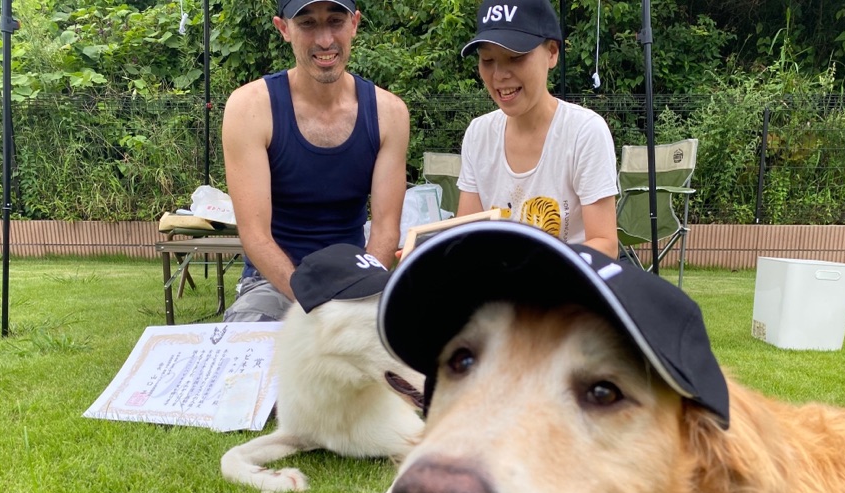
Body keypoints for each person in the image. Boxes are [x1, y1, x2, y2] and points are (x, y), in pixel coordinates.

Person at [221, 0, 410, 322]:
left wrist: (359, 295)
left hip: (355, 279)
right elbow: (254, 235)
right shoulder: (250, 108)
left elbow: (385, 231)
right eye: (308, 24)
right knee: (245, 339)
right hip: (272, 283)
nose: (324, 40)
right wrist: (313, 301)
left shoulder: (389, 113)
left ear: (354, 24)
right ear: (283, 29)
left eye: (335, 21)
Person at [454, 0, 619, 258]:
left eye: (515, 57)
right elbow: (467, 235)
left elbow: (605, 245)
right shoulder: (479, 134)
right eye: (487, 59)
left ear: (552, 53)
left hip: (567, 280)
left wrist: (532, 268)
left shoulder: (584, 132)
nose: (499, 75)